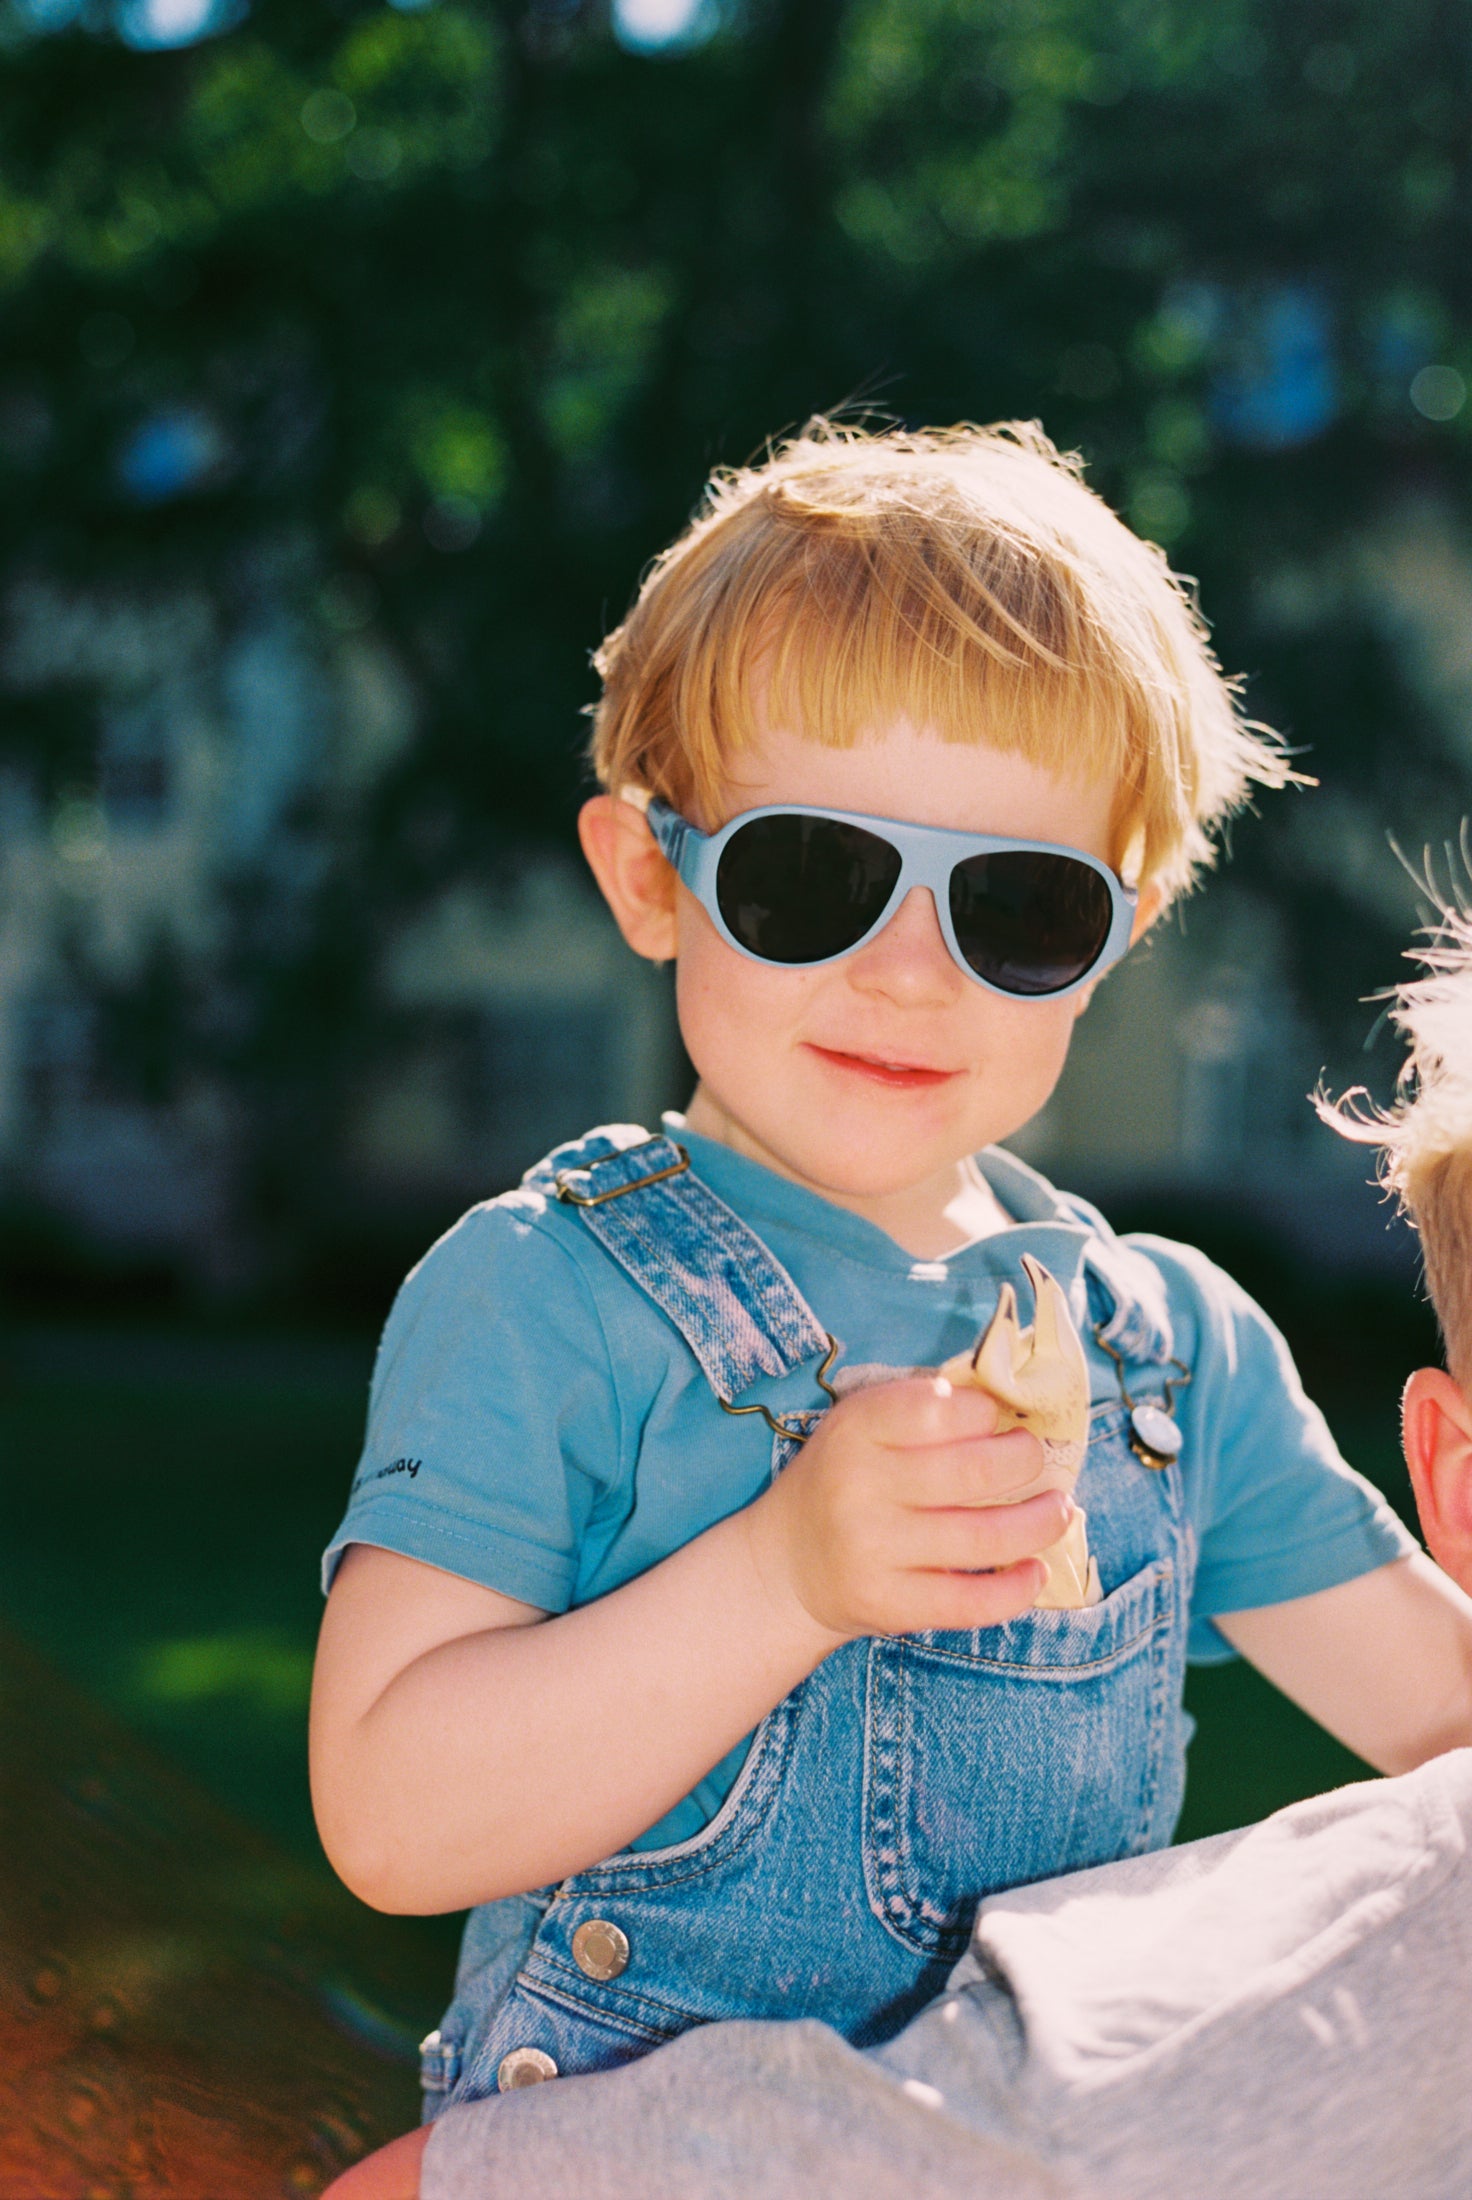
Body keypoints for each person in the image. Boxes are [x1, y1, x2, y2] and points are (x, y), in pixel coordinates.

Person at [309, 424, 1472, 2174]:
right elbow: (395, 1819)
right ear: (649, 876)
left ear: (1121, 938)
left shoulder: (1171, 1357)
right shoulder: (546, 1293)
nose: (909, 969)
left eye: (1017, 906)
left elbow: (1447, 1728)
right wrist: (784, 1576)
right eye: (810, 876)